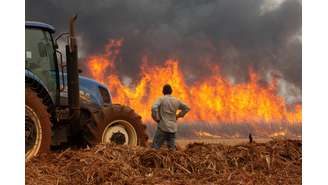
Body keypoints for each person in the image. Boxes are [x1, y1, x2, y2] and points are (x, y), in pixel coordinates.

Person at [151, 84, 190, 150]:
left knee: (155, 148)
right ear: (171, 91)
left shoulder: (161, 99)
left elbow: (154, 108)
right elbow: (187, 108)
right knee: (172, 151)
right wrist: (179, 115)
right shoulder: (176, 100)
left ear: (163, 91)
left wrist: (157, 118)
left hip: (162, 127)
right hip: (172, 128)